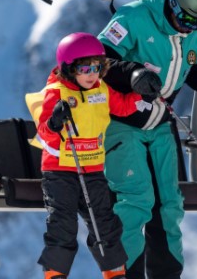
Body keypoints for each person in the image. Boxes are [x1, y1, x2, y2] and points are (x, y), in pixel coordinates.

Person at [97, 0, 197, 279]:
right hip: (123, 122)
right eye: (186, 20)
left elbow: (192, 67)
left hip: (161, 123)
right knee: (134, 202)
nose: (190, 29)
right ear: (172, 3)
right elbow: (98, 61)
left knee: (169, 206)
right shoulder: (133, 18)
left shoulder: (195, 31)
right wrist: (132, 73)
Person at [35, 32, 144, 279]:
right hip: (60, 170)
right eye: (85, 68)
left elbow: (124, 107)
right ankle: (55, 274)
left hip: (93, 169)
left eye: (97, 67)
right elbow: (43, 133)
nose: (92, 73)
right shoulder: (57, 92)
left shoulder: (101, 89)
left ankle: (115, 273)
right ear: (69, 68)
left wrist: (141, 92)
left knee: (104, 223)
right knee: (63, 223)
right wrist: (54, 122)